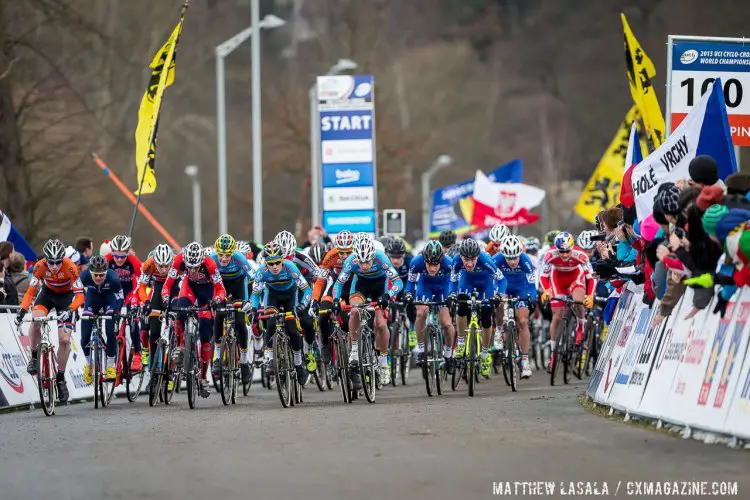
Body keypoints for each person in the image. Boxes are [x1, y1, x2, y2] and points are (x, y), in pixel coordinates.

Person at [17, 239, 85, 403]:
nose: (54, 266)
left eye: (57, 262)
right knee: (35, 320)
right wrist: (23, 309)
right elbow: (30, 291)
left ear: (63, 259)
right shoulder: (40, 266)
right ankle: (34, 357)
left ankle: (60, 378)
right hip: (47, 294)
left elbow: (80, 294)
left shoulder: (70, 267)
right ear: (45, 259)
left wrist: (71, 308)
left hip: (66, 298)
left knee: (64, 340)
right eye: (51, 262)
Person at [333, 237, 403, 388]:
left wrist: (388, 295)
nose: (364, 266)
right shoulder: (351, 261)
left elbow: (398, 282)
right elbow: (339, 283)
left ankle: (384, 363)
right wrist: (335, 300)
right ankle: (354, 348)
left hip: (380, 286)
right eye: (361, 262)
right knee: (355, 311)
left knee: (381, 325)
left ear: (373, 256)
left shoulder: (382, 259)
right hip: (361, 285)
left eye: (367, 262)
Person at [162, 241, 226, 398]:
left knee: (205, 336)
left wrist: (216, 300)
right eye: (189, 267)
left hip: (207, 293)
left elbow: (221, 289)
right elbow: (167, 284)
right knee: (180, 310)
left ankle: (203, 377)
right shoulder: (178, 260)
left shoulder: (210, 264)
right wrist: (164, 297)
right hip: (189, 289)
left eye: (196, 267)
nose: (192, 270)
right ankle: (180, 346)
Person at [248, 241, 311, 385]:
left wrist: (302, 305)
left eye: (277, 262)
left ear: (282, 260)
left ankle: (298, 361)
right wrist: (253, 309)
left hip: (290, 295)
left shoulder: (290, 267)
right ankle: (270, 357)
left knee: (292, 329)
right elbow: (256, 294)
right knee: (270, 322)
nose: (274, 267)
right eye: (271, 264)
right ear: (266, 263)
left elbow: (307, 290)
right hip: (272, 296)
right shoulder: (261, 271)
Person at [448, 238, 506, 378]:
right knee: (461, 306)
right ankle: (461, 341)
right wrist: (451, 295)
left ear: (477, 256)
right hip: (466, 283)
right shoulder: (456, 260)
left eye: (472, 259)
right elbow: (453, 281)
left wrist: (499, 295)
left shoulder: (485, 259)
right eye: (466, 259)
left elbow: (502, 280)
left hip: (485, 285)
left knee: (486, 316)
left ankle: (485, 353)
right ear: (461, 256)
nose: (469, 263)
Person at [539, 232, 594, 372]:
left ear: (573, 247)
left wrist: (590, 295)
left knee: (578, 301)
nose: (564, 255)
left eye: (567, 251)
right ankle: (553, 354)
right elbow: (544, 275)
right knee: (556, 317)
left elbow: (590, 278)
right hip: (558, 280)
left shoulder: (580, 255)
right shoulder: (550, 255)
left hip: (575, 278)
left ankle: (580, 326)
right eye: (561, 252)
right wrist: (546, 290)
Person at [403, 240, 456, 374]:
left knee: (446, 323)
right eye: (429, 264)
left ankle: (449, 355)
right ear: (424, 260)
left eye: (435, 265)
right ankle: (421, 350)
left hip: (444, 288)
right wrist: (408, 295)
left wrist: (452, 296)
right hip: (425, 287)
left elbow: (455, 283)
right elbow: (410, 283)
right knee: (420, 313)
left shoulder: (449, 263)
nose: (432, 268)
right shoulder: (416, 262)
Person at [210, 234, 255, 385]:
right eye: (221, 255)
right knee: (219, 316)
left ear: (232, 253)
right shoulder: (212, 259)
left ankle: (243, 362)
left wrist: (249, 301)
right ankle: (217, 357)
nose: (223, 258)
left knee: (241, 323)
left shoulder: (239, 258)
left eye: (227, 255)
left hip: (238, 287)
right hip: (221, 287)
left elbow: (253, 279)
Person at [492, 235, 536, 379]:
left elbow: (531, 284)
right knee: (499, 304)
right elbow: (490, 280)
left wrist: (531, 297)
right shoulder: (497, 259)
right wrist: (496, 295)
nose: (512, 261)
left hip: (520, 290)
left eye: (515, 258)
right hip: (503, 289)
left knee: (522, 321)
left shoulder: (525, 260)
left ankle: (524, 360)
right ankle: (499, 331)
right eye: (508, 258)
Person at [312, 230, 354, 375]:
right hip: (335, 287)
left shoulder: (357, 256)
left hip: (353, 287)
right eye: (341, 252)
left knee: (351, 320)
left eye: (347, 252)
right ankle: (324, 345)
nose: (343, 256)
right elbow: (320, 282)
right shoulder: (331, 256)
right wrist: (315, 301)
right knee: (323, 315)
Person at [80, 255, 124, 383]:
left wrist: (117, 311)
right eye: (95, 275)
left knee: (110, 332)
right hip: (92, 300)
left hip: (109, 300)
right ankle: (89, 364)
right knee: (85, 335)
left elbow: (120, 297)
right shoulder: (84, 276)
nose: (98, 278)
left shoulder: (114, 278)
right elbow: (74, 291)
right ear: (90, 272)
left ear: (106, 273)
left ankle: (110, 366)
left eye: (101, 275)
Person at [135, 244, 177, 372]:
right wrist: (146, 302)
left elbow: (185, 285)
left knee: (177, 322)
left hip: (174, 287)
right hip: (158, 288)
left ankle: (173, 364)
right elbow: (141, 287)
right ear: (155, 262)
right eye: (160, 266)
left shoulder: (177, 263)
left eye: (166, 266)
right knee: (154, 332)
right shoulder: (149, 264)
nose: (163, 269)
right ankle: (153, 370)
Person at [106, 235, 144, 371]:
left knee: (133, 319)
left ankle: (138, 354)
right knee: (110, 324)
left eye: (123, 256)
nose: (119, 259)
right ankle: (112, 356)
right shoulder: (107, 260)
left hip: (130, 292)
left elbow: (143, 281)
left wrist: (140, 300)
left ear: (128, 252)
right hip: (114, 294)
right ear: (112, 252)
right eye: (116, 256)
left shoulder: (133, 261)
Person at [385, 237, 416, 348]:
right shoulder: (385, 262)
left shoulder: (410, 261)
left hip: (406, 285)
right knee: (389, 310)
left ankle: (412, 328)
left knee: (411, 303)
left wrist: (408, 294)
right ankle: (392, 335)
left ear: (403, 255)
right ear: (388, 255)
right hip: (392, 287)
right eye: (393, 257)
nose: (396, 261)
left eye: (398, 257)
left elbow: (412, 281)